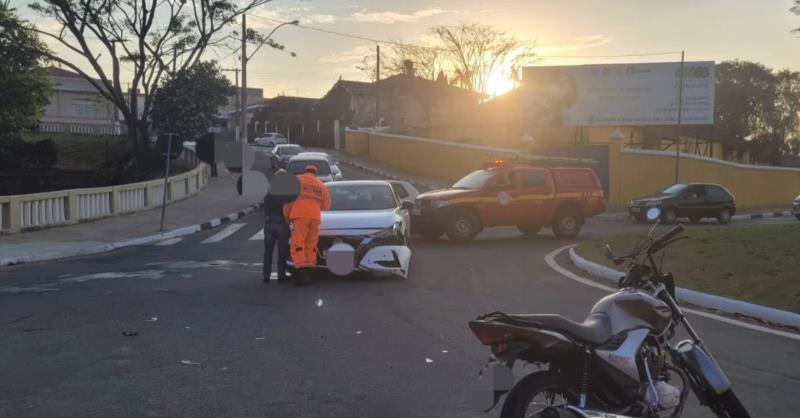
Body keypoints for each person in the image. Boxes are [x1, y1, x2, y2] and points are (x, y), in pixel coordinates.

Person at [287, 164, 331, 286]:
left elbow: (288, 200)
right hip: (315, 217)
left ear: (305, 171)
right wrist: (315, 207)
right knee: (311, 244)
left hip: (300, 216)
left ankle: (301, 273)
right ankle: (310, 269)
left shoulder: (297, 180)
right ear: (315, 173)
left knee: (298, 243)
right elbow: (326, 206)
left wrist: (287, 215)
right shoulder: (321, 185)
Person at [262, 169, 296, 283]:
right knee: (282, 251)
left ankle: (266, 275)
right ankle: (281, 275)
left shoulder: (269, 191)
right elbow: (289, 207)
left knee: (268, 251)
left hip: (268, 223)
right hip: (281, 223)